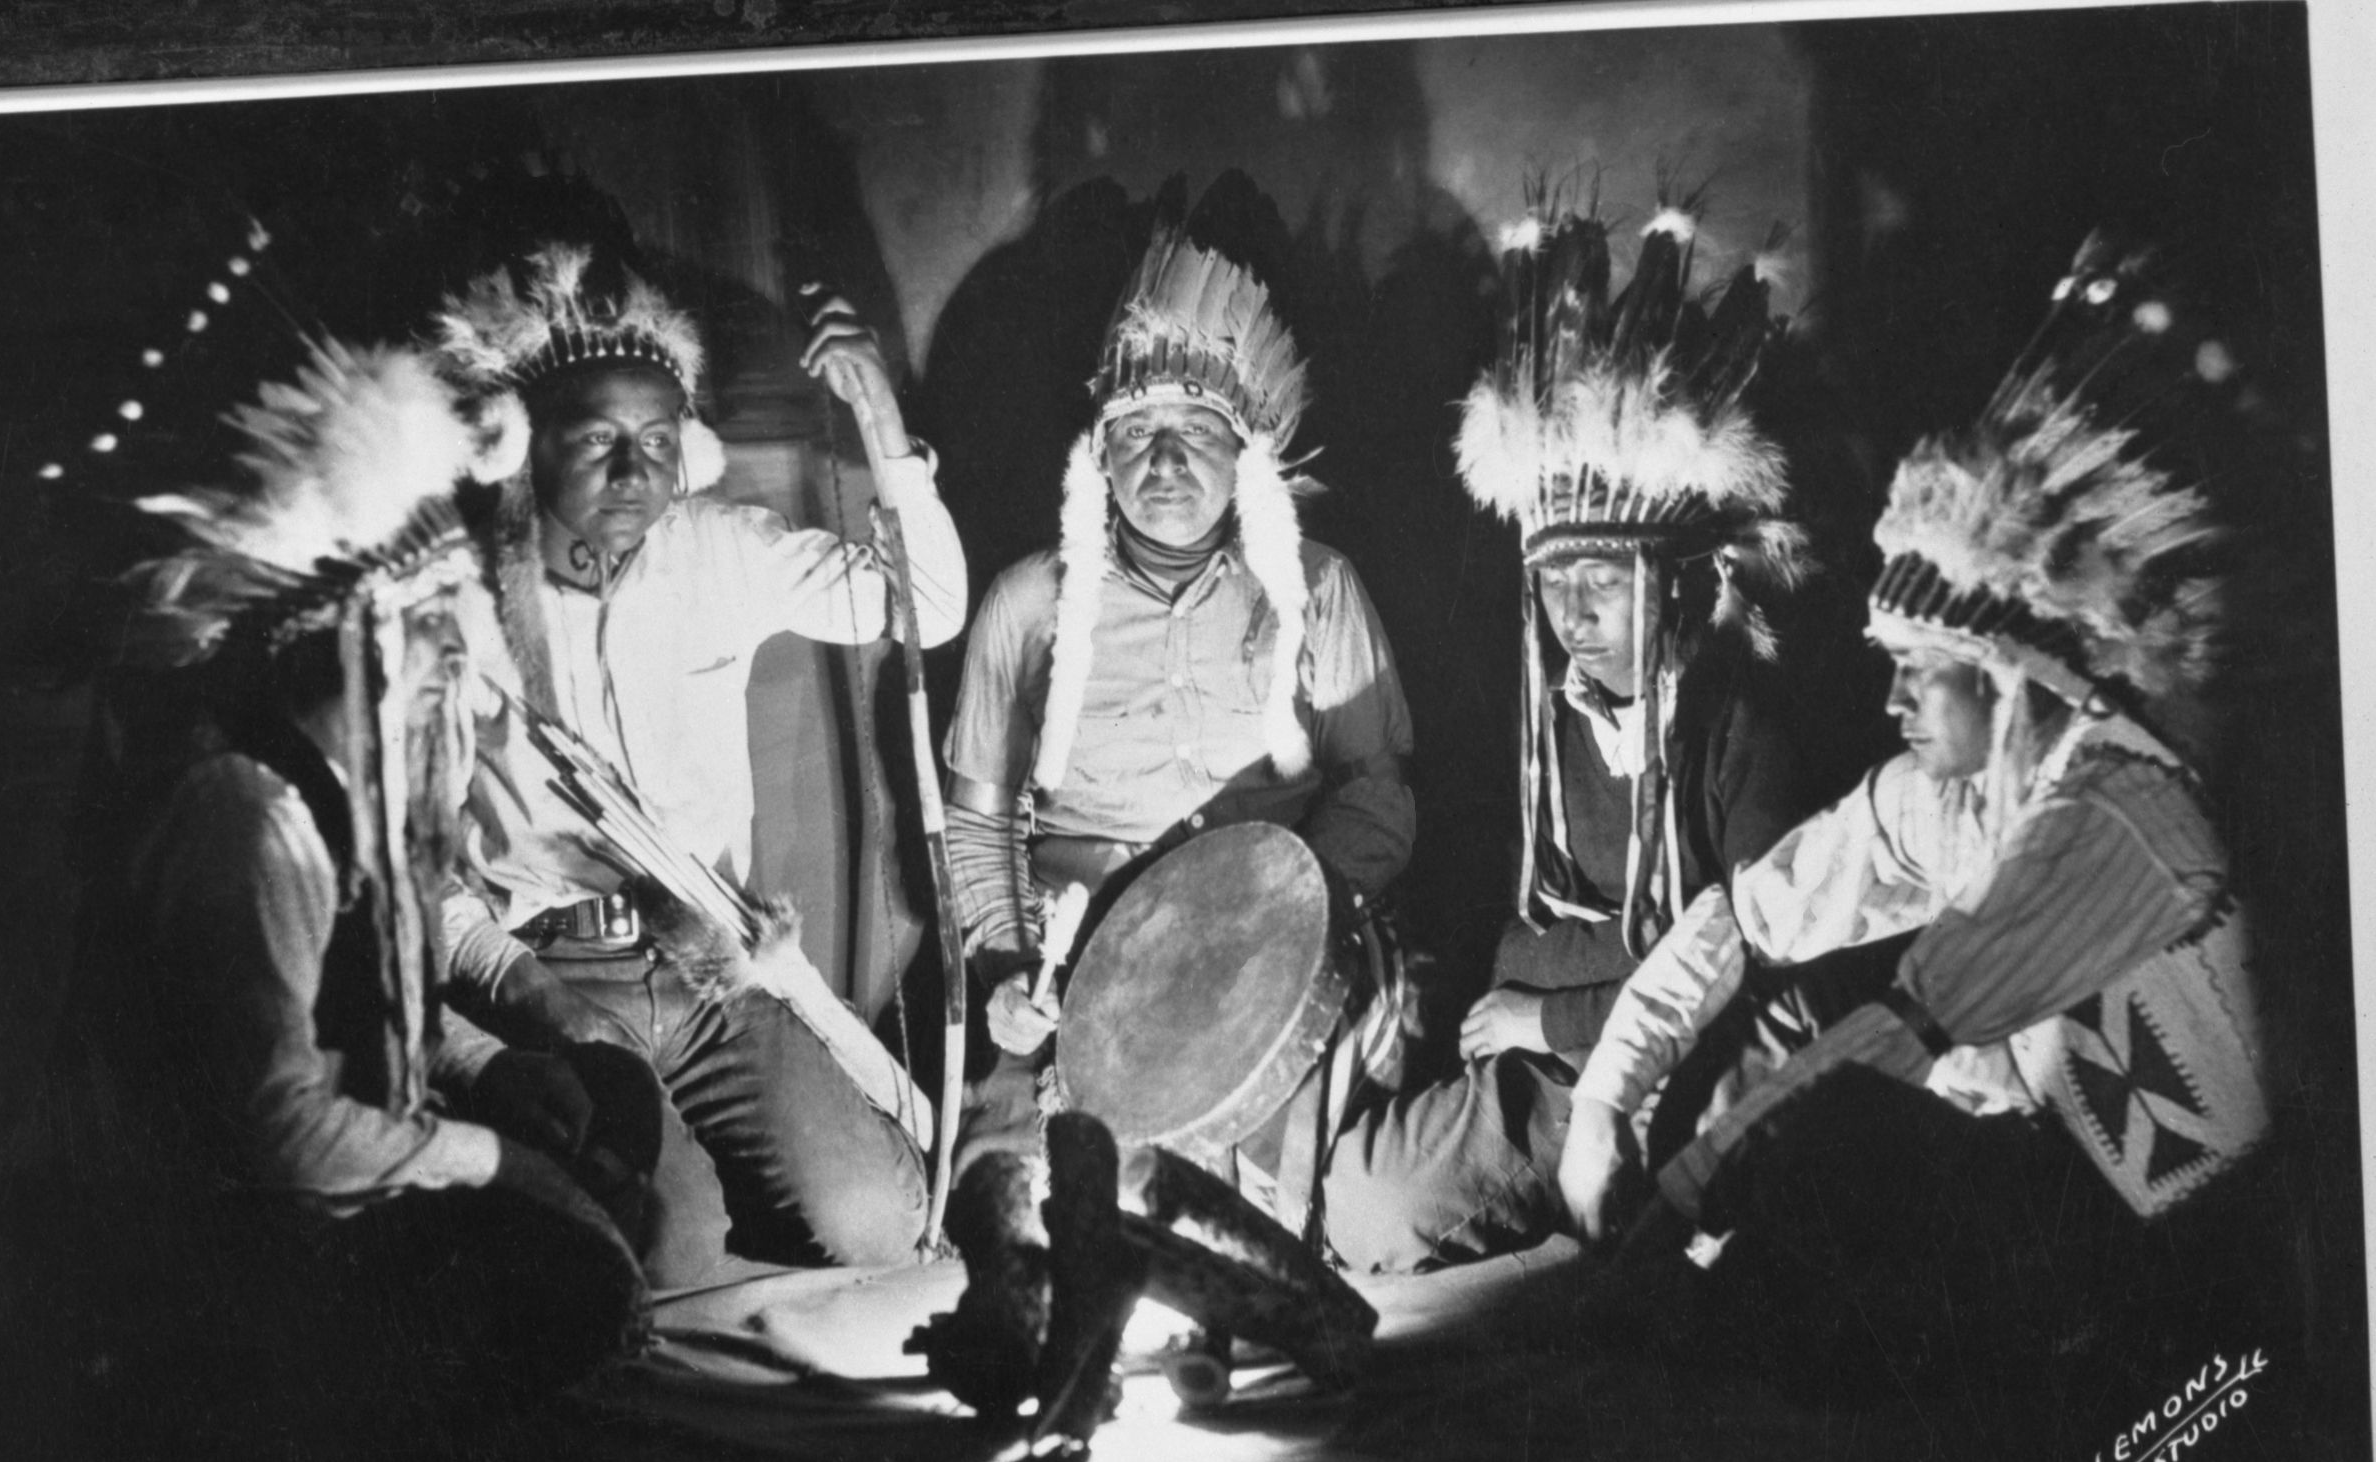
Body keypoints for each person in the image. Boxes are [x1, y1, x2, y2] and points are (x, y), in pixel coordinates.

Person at [1555, 237, 2275, 1396]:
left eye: (1916, 670)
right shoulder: (1945, 795)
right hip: (2049, 1200)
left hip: (2177, 1267)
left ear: (2006, 674)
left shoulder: (2120, 810)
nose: (1889, 700)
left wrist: (1680, 1198)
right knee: (1812, 1162)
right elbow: (1750, 915)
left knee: (1832, 1137)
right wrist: (1604, 1098)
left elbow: (1916, 1018)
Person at [56, 340, 658, 1462]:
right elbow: (275, 1131)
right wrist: (502, 1165)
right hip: (239, 1253)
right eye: (424, 626)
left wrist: (491, 1071)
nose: (450, 657)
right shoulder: (248, 815)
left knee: (605, 1098)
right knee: (560, 1265)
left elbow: (372, 1002)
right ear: (336, 637)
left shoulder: (348, 787)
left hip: (336, 1177)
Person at [427, 244, 963, 1282]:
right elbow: (418, 875)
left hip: (717, 962)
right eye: (597, 439)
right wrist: (532, 993)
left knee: (882, 1227)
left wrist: (879, 418)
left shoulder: (719, 548)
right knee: (671, 1255)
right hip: (554, 974)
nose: (633, 472)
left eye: (657, 441)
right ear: (528, 445)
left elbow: (928, 610)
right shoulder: (459, 601)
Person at [1318, 201, 1818, 1272]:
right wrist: (1605, 962)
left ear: (1670, 582)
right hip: (1551, 1072)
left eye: (1603, 581)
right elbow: (1514, 939)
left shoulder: (1741, 728)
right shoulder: (1545, 724)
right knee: (1361, 1199)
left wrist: (1551, 1013)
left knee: (1725, 1209)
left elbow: (1745, 964)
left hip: (1688, 1066)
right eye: (1553, 582)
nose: (1573, 614)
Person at [940, 213, 1416, 1206]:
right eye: (1135, 433)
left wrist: (1281, 928)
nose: (1163, 464)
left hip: (1268, 953)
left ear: (1244, 456)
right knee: (1006, 1197)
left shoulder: (1317, 590)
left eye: (1196, 433)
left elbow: (1375, 793)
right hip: (1076, 967)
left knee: (1282, 1192)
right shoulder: (1027, 604)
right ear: (1098, 456)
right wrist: (1006, 967)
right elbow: (976, 825)